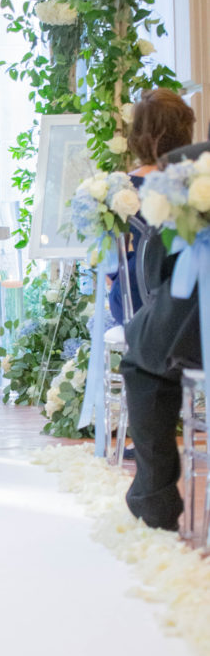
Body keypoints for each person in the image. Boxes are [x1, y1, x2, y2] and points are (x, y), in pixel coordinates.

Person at [120, 135, 210, 531]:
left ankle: (153, 498)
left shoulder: (187, 165)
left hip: (195, 323)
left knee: (143, 358)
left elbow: (156, 263)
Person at [109, 89, 194, 324]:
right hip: (190, 307)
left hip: (134, 306)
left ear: (136, 135)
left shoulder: (119, 188)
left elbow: (110, 269)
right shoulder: (198, 185)